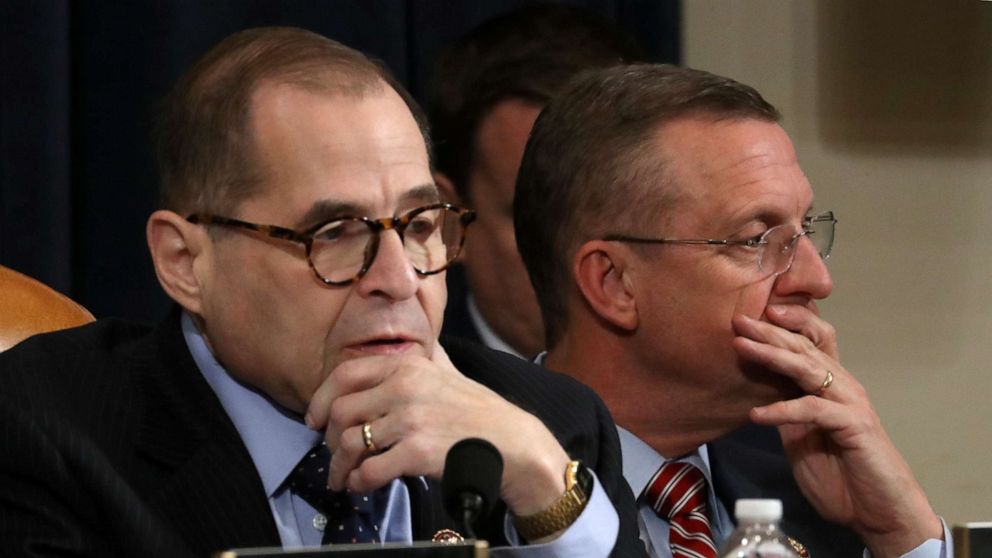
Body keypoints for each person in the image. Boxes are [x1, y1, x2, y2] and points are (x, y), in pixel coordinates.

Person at [0, 27, 645, 558]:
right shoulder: (45, 429)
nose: (397, 281)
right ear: (184, 262)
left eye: (420, 227)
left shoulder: (549, 426)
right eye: (335, 233)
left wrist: (545, 495)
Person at [514, 64, 951, 558]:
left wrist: (900, 533)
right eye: (755, 240)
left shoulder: (820, 495)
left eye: (805, 230)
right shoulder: (474, 490)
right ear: (613, 283)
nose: (816, 281)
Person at [430, 5, 642, 358]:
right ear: (449, 224)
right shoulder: (401, 400)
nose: (591, 262)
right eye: (538, 218)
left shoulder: (734, 393)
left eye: (618, 214)